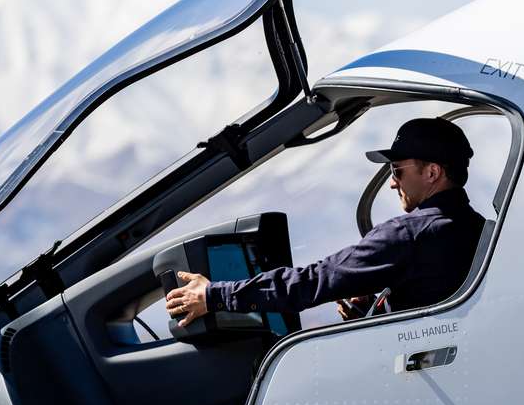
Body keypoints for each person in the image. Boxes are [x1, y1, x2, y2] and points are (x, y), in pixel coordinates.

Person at [164, 117, 486, 327]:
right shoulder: (481, 230)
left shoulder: (409, 235)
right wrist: (377, 311)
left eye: (396, 170)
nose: (392, 182)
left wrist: (214, 296)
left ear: (432, 173)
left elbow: (313, 281)